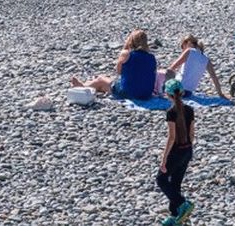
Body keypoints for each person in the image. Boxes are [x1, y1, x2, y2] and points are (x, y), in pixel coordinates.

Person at [70, 29, 157, 100]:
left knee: (101, 79)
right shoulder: (151, 57)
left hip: (129, 94)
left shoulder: (126, 54)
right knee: (110, 81)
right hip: (146, 94)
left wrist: (125, 47)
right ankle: (89, 84)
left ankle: (83, 86)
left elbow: (118, 71)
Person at [156, 79, 196, 225]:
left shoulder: (171, 112)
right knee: (176, 182)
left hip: (176, 152)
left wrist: (164, 158)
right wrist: (188, 148)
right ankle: (175, 216)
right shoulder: (190, 110)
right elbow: (192, 135)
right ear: (182, 92)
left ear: (168, 94)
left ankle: (183, 204)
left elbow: (171, 137)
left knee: (161, 179)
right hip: (187, 151)